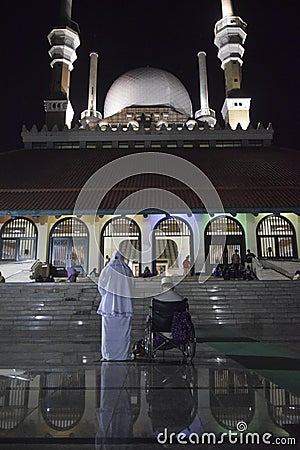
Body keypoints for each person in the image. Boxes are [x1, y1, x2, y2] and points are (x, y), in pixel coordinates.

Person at [97, 251, 134, 361]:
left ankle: (108, 354)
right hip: (124, 305)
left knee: (108, 333)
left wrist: (106, 297)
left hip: (108, 306)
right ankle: (123, 355)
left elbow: (101, 287)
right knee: (123, 333)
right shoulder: (127, 269)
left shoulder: (107, 269)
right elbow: (132, 286)